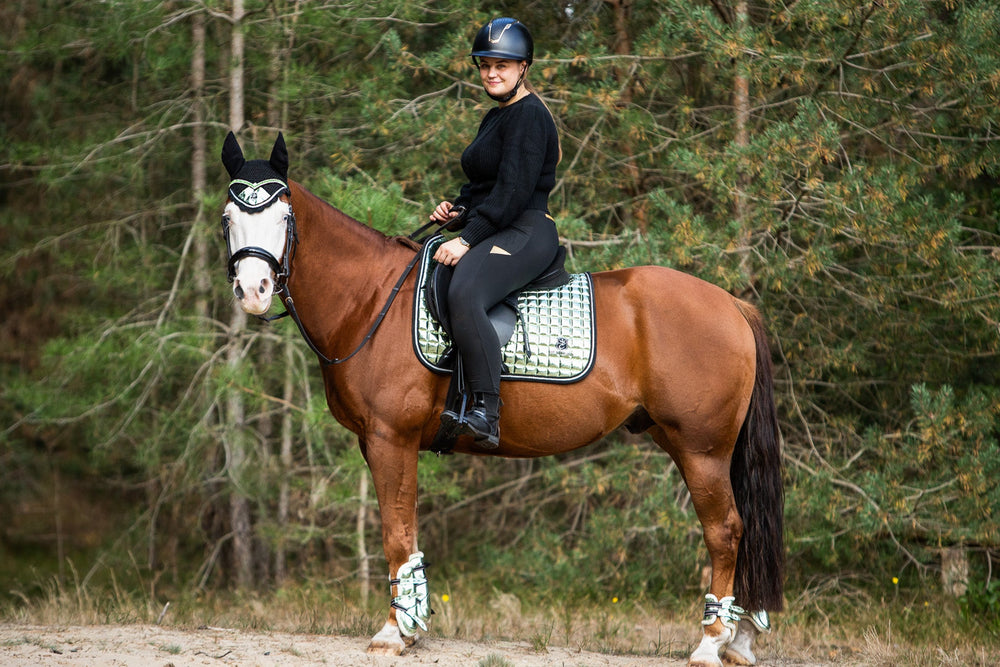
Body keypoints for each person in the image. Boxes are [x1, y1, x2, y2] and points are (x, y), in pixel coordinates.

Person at [430, 17, 561, 448]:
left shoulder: (530, 116)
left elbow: (512, 194)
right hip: (499, 222)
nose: (491, 73)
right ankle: (464, 364)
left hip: (527, 228)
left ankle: (486, 410)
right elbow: (484, 188)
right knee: (434, 268)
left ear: (524, 67)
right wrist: (457, 209)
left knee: (465, 292)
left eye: (502, 65)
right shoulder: (495, 116)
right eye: (485, 65)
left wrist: (466, 238)